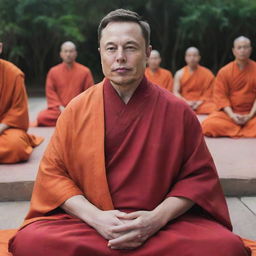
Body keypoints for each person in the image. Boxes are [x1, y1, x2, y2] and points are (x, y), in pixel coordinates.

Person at [9, 9, 251, 256]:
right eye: (111, 48)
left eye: (131, 47)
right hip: (91, 225)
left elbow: (198, 178)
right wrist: (96, 218)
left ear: (147, 52)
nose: (120, 57)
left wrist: (156, 220)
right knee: (31, 242)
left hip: (162, 225)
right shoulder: (76, 109)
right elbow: (53, 176)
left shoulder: (178, 111)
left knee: (225, 248)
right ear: (100, 52)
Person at [202, 36, 256, 137]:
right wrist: (232, 115)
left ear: (250, 50)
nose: (242, 50)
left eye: (245, 47)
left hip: (253, 115)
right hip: (229, 115)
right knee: (208, 125)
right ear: (234, 51)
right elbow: (221, 97)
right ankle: (244, 131)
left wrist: (250, 116)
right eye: (239, 47)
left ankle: (239, 130)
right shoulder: (224, 71)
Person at [0, 42, 43, 163]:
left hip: (6, 129)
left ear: (0, 48)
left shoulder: (14, 74)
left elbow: (19, 109)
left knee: (16, 146)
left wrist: (1, 127)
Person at [33, 41, 94, 127]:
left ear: (75, 53)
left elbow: (89, 93)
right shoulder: (53, 71)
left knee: (91, 115)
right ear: (61, 54)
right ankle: (72, 121)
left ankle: (66, 120)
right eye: (65, 51)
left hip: (78, 109)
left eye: (71, 51)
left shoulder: (85, 71)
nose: (68, 54)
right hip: (59, 110)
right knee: (41, 117)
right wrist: (60, 107)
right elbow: (50, 93)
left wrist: (78, 107)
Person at [173, 47, 216, 114]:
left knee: (215, 107)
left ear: (199, 57)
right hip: (184, 102)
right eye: (189, 56)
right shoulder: (179, 73)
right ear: (185, 58)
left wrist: (199, 102)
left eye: (195, 55)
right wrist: (186, 102)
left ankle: (190, 110)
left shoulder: (207, 73)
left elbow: (210, 92)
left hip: (202, 103)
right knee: (175, 105)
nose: (192, 58)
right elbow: (175, 92)